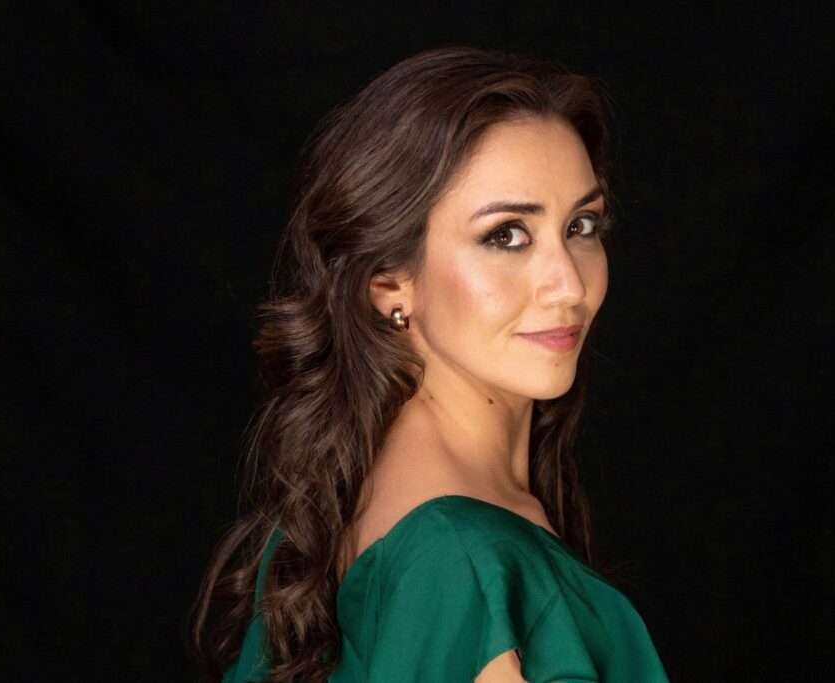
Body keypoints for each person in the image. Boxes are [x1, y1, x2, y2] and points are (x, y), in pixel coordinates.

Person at [192, 46, 669, 683]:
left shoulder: (333, 504)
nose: (569, 285)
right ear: (390, 282)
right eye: (506, 235)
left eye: (581, 226)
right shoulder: (462, 562)